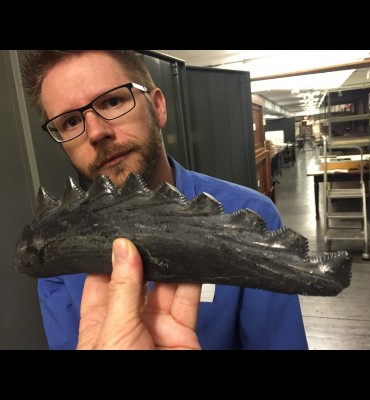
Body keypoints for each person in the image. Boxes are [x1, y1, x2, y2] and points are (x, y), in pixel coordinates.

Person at [21, 50, 308, 350]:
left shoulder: (247, 215)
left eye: (112, 101)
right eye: (70, 122)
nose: (95, 132)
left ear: (157, 106)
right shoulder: (55, 254)